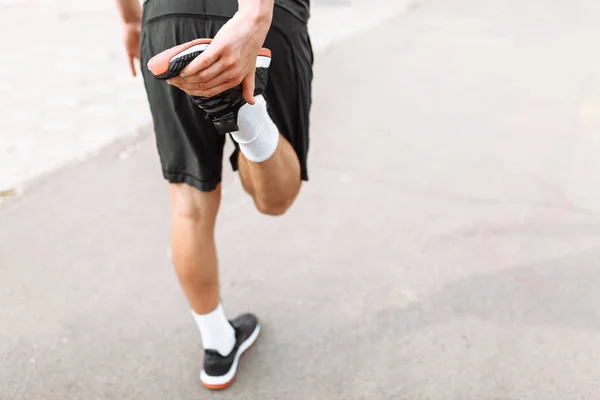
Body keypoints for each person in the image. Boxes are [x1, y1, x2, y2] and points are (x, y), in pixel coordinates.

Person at [114, 0, 313, 390]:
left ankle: (218, 343)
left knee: (188, 200)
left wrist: (132, 20)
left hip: (167, 18)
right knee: (275, 200)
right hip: (263, 14)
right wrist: (255, 16)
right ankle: (245, 115)